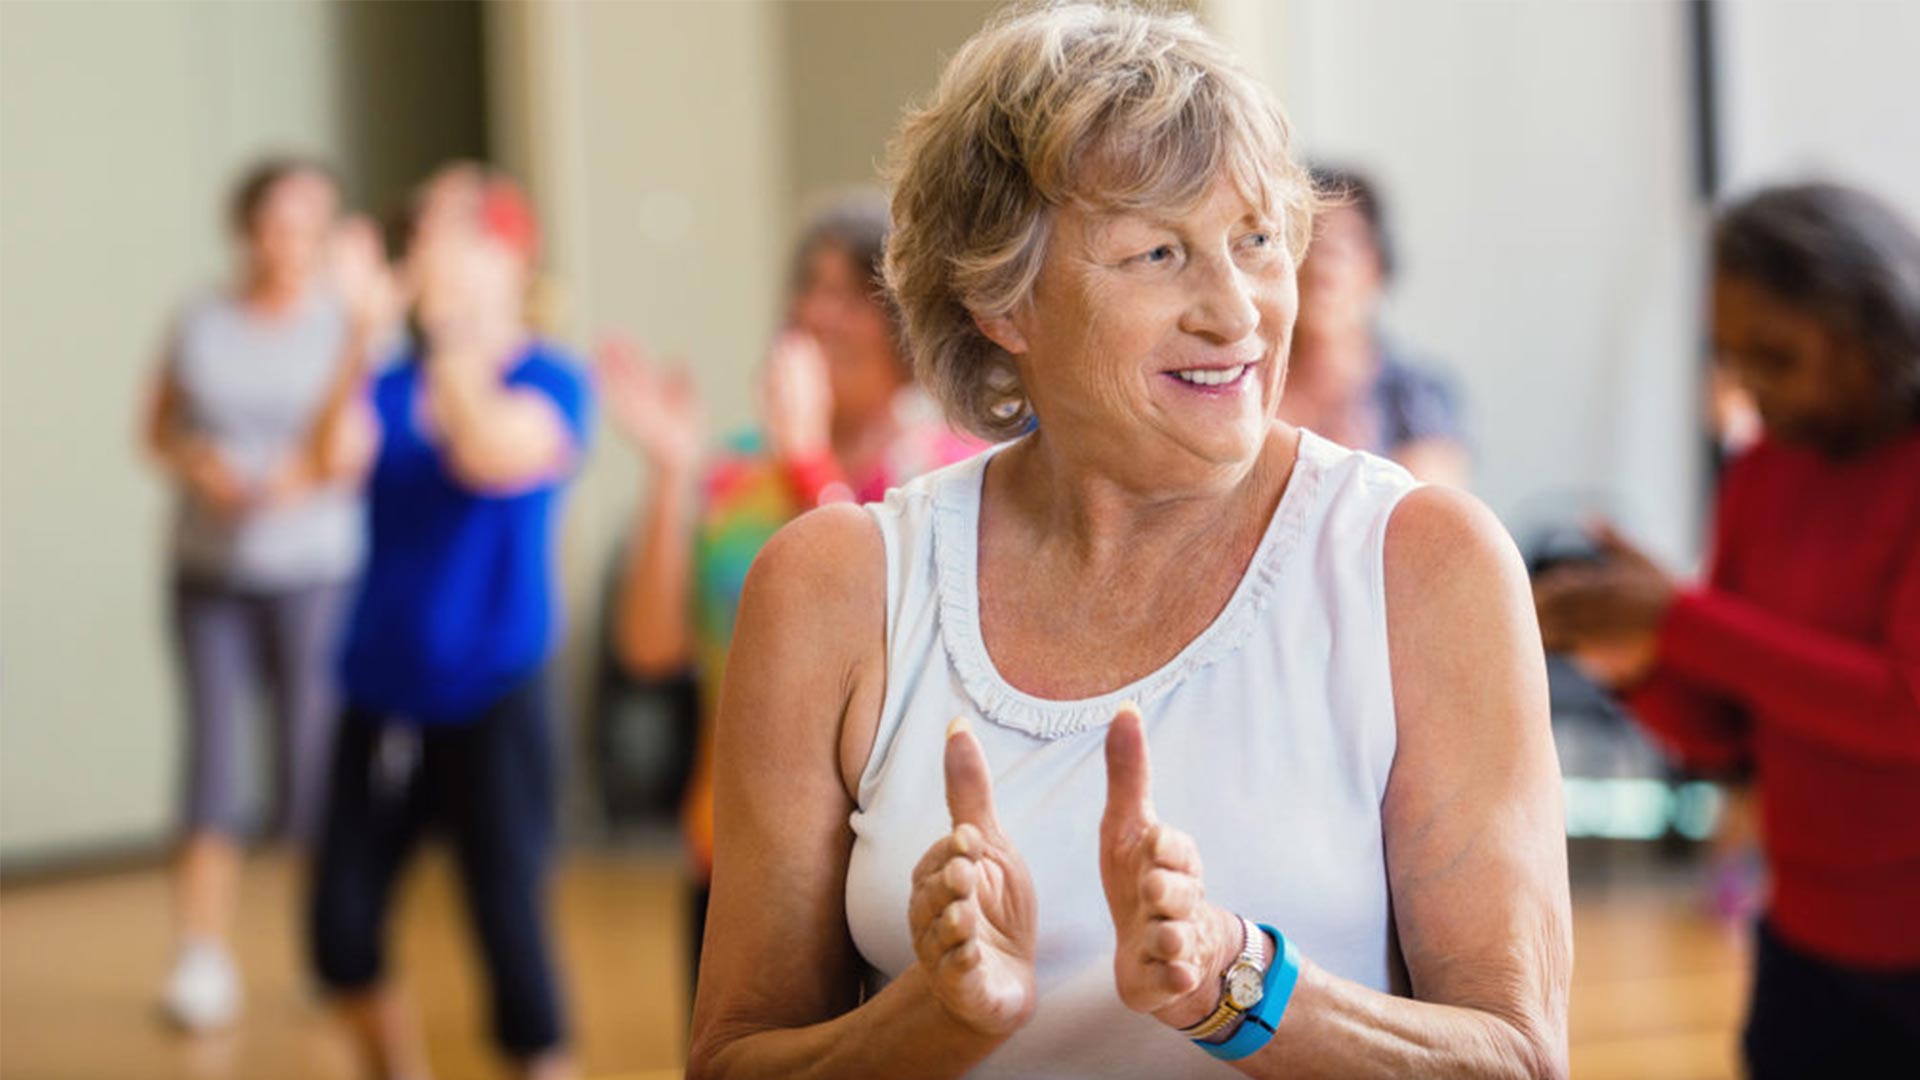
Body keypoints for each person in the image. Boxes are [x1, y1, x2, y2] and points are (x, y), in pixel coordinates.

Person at [686, 6, 1571, 1078]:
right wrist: (939, 1019)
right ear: (1002, 299)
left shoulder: (1424, 565)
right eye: (1159, 252)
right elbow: (733, 1061)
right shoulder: (834, 589)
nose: (1236, 310)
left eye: (1256, 239)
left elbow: (1516, 1059)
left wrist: (1234, 983)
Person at [1535, 181, 1920, 1077]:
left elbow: (1904, 707)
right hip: (1810, 940)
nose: (1749, 386)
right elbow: (1730, 731)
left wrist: (1681, 617)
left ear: (1876, 327)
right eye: (1733, 354)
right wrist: (1639, 663)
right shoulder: (1762, 474)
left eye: (1777, 356)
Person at [598, 191, 980, 985]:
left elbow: (899, 631)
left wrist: (808, 458)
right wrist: (672, 475)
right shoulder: (734, 472)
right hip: (731, 844)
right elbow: (651, 649)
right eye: (809, 287)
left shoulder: (947, 468)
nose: (818, 312)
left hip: (895, 852)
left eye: (851, 295)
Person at [304, 163, 589, 1080]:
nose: (424, 248)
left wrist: (456, 329)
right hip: (382, 690)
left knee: (511, 935)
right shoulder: (392, 378)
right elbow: (326, 459)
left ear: (507, 252)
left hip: (495, 690)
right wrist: (356, 332)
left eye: (449, 230)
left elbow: (490, 451)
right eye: (420, 230)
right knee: (340, 933)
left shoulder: (549, 377)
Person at [141, 157, 372, 1031]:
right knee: (211, 759)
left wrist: (297, 477)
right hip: (209, 575)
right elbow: (158, 425)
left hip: (314, 570)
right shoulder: (200, 318)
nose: (291, 241)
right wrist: (201, 463)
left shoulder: (347, 326)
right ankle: (200, 954)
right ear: (246, 227)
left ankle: (326, 949)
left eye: (311, 225)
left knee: (313, 767)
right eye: (277, 222)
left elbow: (356, 446)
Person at [1276, 166, 1471, 486]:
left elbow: (1431, 511)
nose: (1321, 266)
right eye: (1305, 243)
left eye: (1341, 250)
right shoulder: (1248, 384)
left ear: (1377, 268)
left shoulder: (1417, 396)